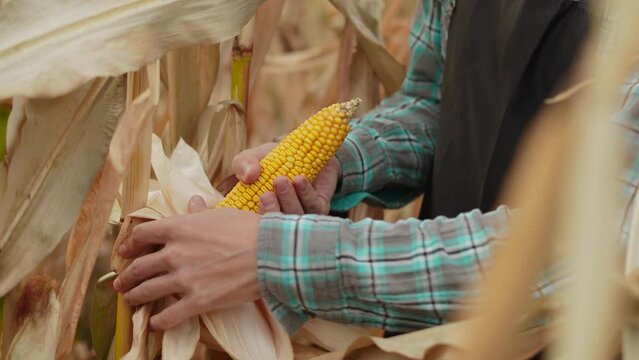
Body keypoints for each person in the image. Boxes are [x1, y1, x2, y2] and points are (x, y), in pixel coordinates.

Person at [112, 0, 639, 334]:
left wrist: (271, 256)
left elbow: (589, 245)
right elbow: (437, 100)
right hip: (443, 339)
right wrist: (339, 162)